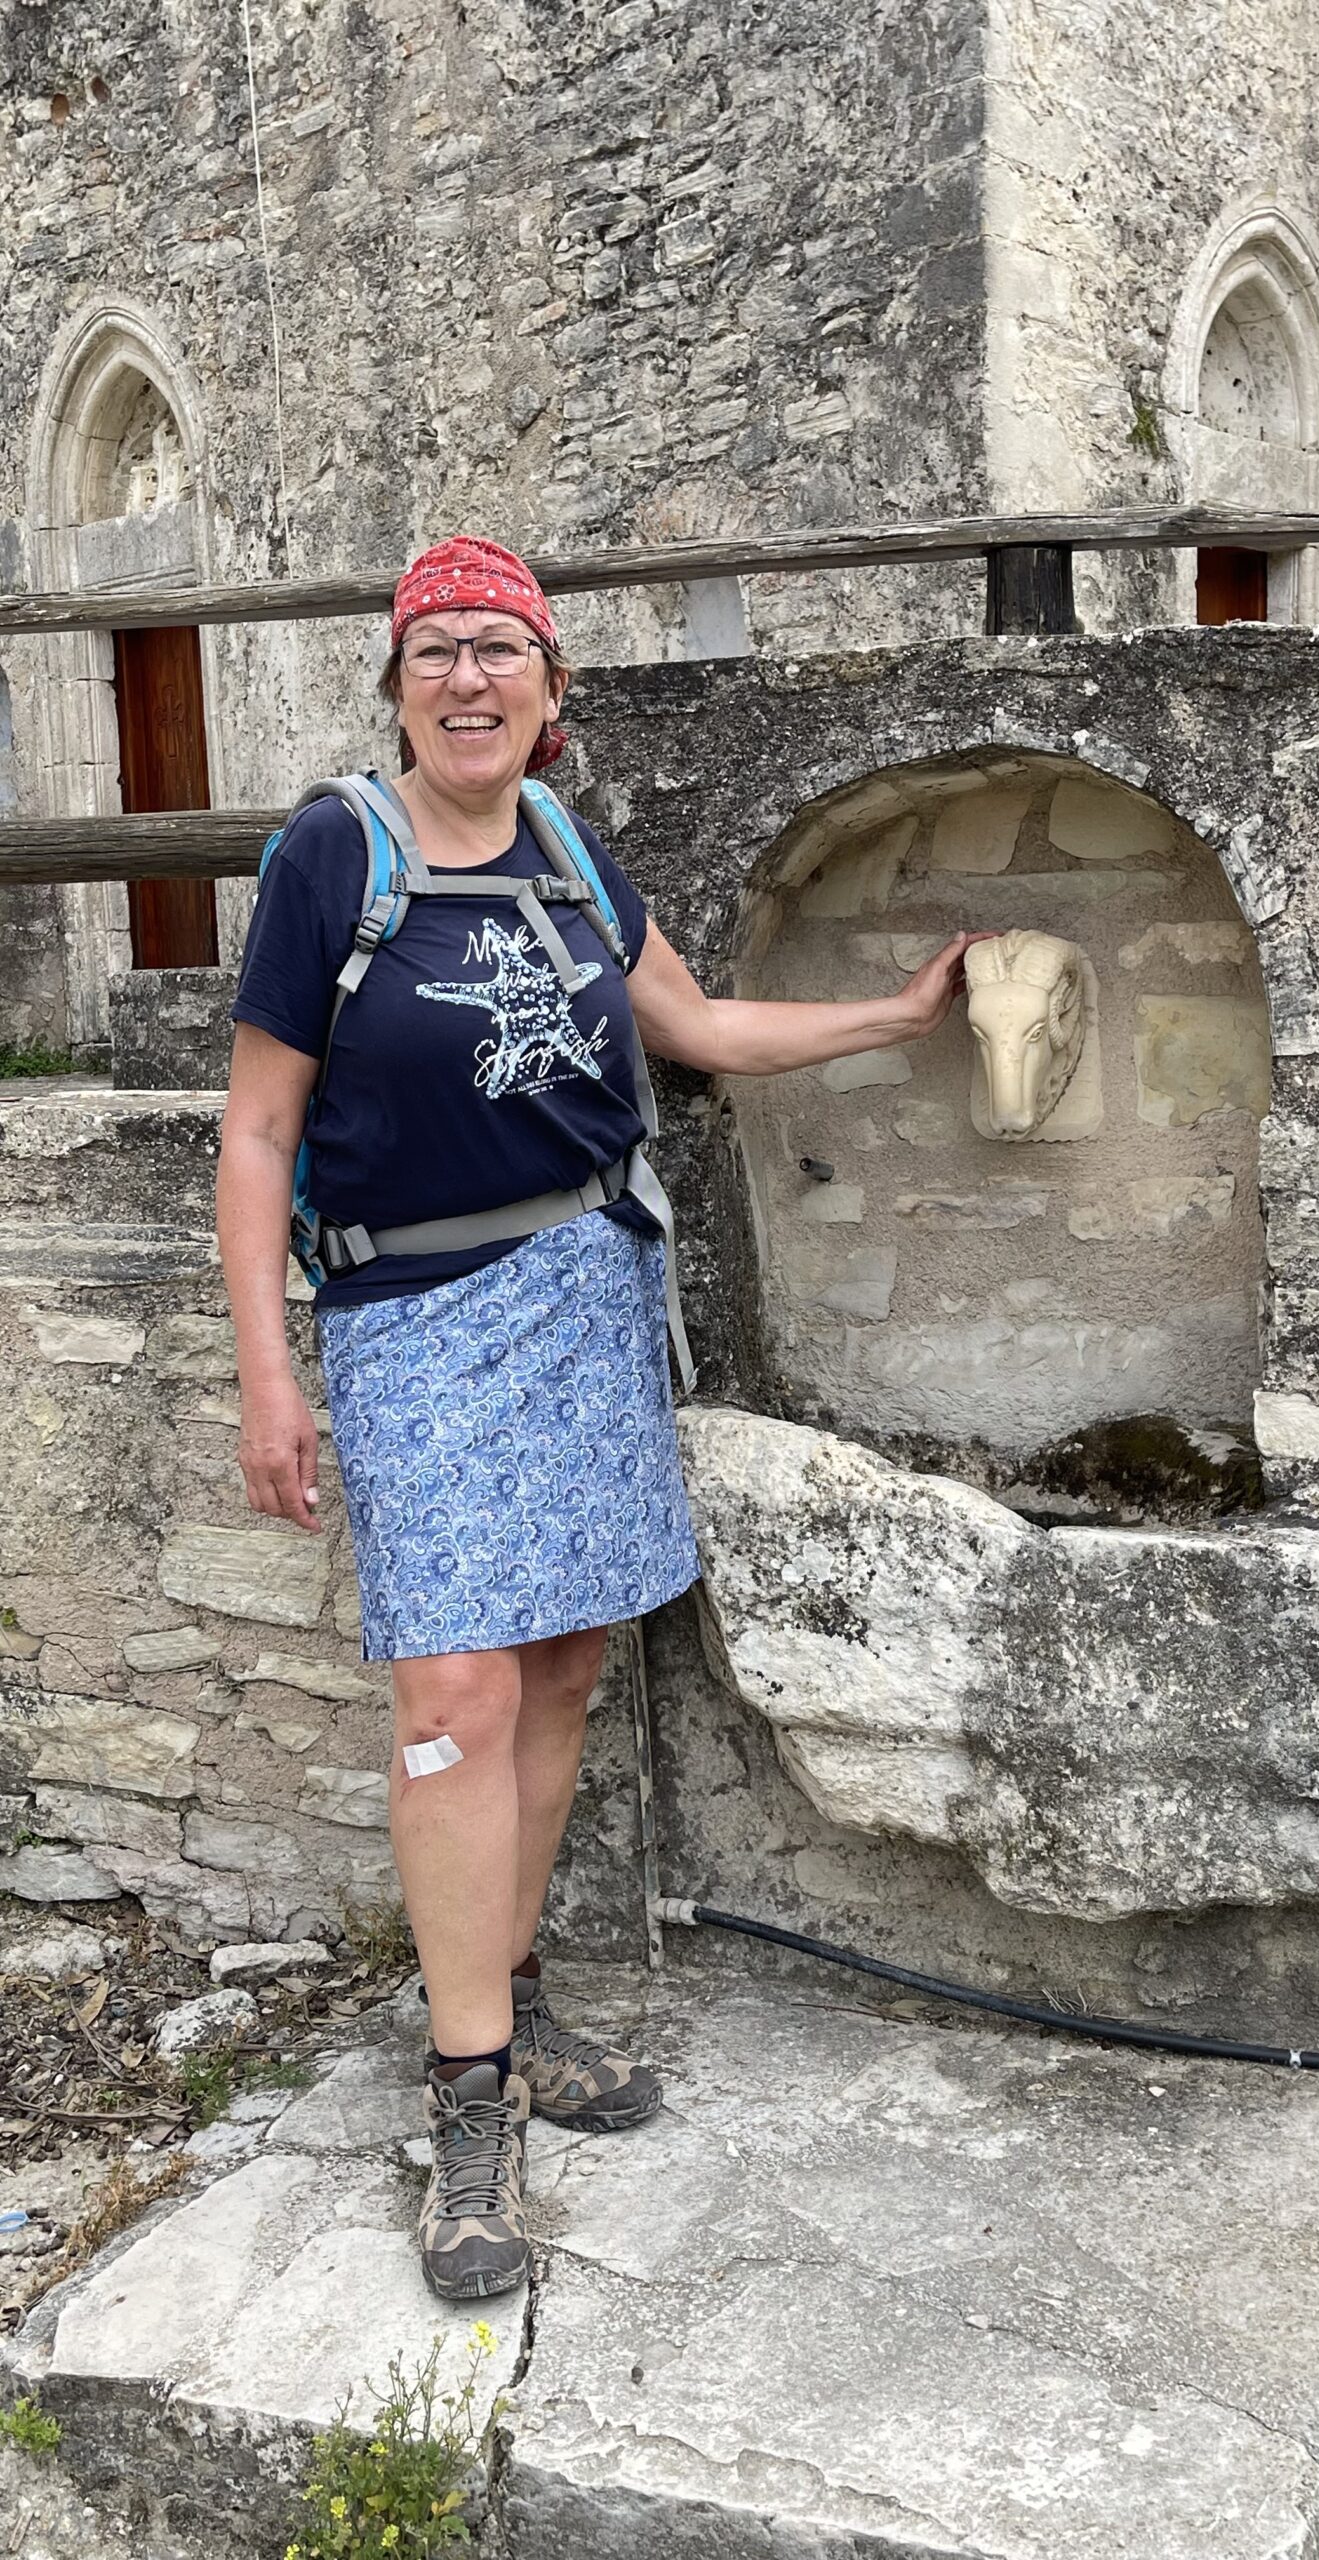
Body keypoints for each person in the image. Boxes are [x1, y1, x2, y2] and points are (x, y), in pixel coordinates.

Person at [216, 535, 994, 2301]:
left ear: (551, 695)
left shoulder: (566, 850)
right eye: (438, 655)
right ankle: (467, 2099)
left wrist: (896, 1009)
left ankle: (516, 2003)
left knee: (562, 1666)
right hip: (407, 1316)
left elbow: (698, 1025)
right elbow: (259, 1131)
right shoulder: (334, 852)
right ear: (398, 686)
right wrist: (273, 1367)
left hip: (581, 1299)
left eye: (502, 652)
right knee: (455, 1688)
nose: (469, 682)